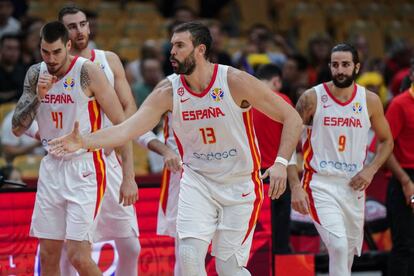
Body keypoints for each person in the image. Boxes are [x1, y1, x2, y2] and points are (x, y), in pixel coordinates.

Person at [49, 21, 302, 275]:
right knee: (189, 260)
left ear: (200, 50)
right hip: (197, 181)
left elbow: (292, 117)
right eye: (171, 46)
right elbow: (127, 129)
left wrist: (281, 163)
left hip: (239, 184)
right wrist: (84, 141)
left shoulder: (234, 81)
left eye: (180, 45)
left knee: (229, 269)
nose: (172, 51)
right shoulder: (168, 91)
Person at [11, 21, 136, 276]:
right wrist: (38, 97)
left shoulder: (87, 72)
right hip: (51, 167)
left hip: (86, 167)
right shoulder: (36, 74)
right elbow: (16, 128)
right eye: (45, 52)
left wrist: (129, 176)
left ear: (68, 46)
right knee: (47, 255)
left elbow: (122, 124)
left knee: (79, 256)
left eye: (56, 52)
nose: (51, 58)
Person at [292, 43, 394, 276]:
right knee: (337, 246)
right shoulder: (312, 98)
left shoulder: (370, 100)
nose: (340, 70)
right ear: (329, 66)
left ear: (356, 67)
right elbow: (287, 142)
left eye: (345, 64)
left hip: (353, 186)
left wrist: (370, 170)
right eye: (335, 64)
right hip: (320, 184)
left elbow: (387, 141)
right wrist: (295, 185)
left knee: (346, 253)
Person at [57, 6, 140, 276]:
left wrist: (127, 170)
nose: (80, 30)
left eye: (83, 24)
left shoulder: (109, 59)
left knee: (131, 247)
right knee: (73, 251)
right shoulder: (54, 68)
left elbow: (128, 109)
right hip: (75, 164)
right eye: (72, 26)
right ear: (62, 33)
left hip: (108, 160)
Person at [253, 64, 301, 255]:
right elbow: (289, 149)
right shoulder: (282, 101)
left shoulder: (244, 103)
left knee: (255, 241)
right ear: (276, 82)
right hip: (277, 176)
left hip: (252, 178)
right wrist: (295, 184)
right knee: (280, 240)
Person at [385, 57, 414, 276]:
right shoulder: (399, 104)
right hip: (405, 177)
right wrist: (405, 181)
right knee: (405, 245)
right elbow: (384, 149)